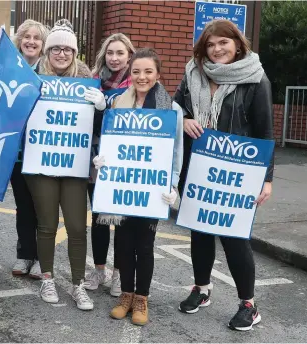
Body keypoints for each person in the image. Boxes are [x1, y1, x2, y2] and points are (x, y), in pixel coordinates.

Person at [173, 19, 273, 331]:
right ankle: (202, 289)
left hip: (238, 173)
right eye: (211, 45)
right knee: (199, 232)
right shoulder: (193, 73)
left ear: (237, 44)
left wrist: (267, 179)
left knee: (235, 239)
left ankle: (249, 305)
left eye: (223, 43)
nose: (217, 50)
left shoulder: (256, 79)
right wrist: (185, 119)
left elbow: (264, 131)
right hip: (198, 168)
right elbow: (175, 106)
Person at [95, 48, 183, 326]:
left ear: (158, 74)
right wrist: (103, 159)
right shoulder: (120, 103)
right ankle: (126, 295)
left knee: (144, 245)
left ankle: (142, 298)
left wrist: (173, 184)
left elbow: (177, 151)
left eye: (148, 71)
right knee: (122, 242)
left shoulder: (171, 109)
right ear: (130, 74)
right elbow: (112, 141)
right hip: (123, 186)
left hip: (152, 189)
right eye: (136, 71)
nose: (141, 77)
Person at [25, 19, 103, 311]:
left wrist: (100, 109)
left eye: (66, 50)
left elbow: (94, 129)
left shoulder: (86, 84)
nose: (60, 54)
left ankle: (78, 285)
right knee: (46, 226)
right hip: (41, 163)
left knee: (76, 227)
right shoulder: (33, 79)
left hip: (73, 165)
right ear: (47, 52)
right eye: (55, 48)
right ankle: (47, 277)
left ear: (74, 54)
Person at [83, 32, 136, 296]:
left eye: (120, 53)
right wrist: (100, 109)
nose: (114, 59)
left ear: (129, 56)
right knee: (100, 218)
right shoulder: (94, 83)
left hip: (124, 164)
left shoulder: (136, 85)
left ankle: (119, 273)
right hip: (96, 160)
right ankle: (100, 269)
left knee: (123, 222)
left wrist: (107, 109)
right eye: (110, 53)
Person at [9, 19, 49, 278]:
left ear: (43, 44)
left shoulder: (50, 72)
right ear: (19, 40)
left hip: (44, 151)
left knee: (42, 207)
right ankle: (25, 254)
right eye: (27, 36)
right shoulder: (10, 68)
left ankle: (41, 258)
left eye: (37, 37)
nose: (31, 41)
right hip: (17, 152)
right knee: (23, 207)